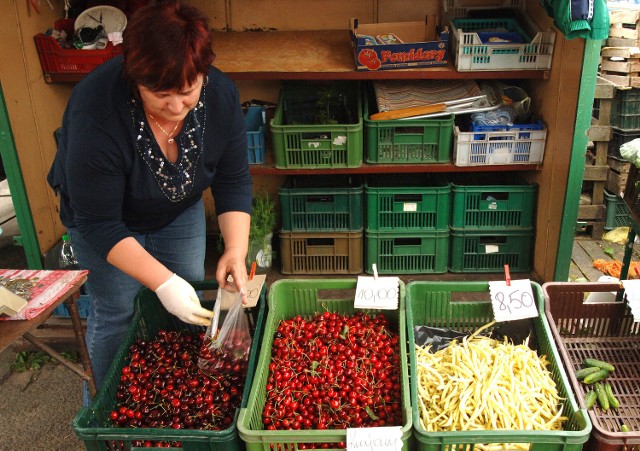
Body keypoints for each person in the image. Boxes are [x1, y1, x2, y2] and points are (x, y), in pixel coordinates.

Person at [47, 0, 253, 394]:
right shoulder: (97, 111)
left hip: (178, 209)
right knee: (118, 311)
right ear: (134, 77)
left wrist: (235, 249)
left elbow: (233, 179)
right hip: (106, 223)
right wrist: (162, 282)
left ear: (203, 74)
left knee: (187, 308)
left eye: (188, 91)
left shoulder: (221, 97)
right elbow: (98, 222)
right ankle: (106, 410)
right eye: (161, 94)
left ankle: (183, 398)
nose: (176, 107)